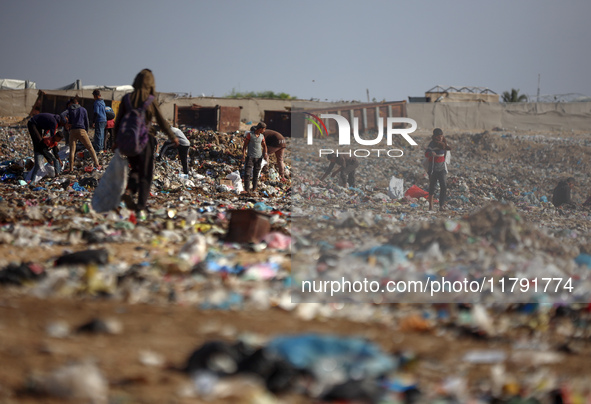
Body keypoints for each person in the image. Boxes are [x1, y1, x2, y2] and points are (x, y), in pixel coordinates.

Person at [113, 69, 178, 218]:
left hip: (128, 141)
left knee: (135, 169)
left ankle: (129, 191)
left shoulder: (127, 99)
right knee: (146, 174)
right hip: (145, 140)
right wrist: (172, 136)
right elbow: (161, 121)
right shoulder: (149, 100)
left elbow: (118, 122)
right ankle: (141, 206)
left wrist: (116, 141)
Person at [66, 96, 101, 172]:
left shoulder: (70, 109)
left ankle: (71, 168)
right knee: (90, 148)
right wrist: (86, 131)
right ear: (77, 103)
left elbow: (63, 116)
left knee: (72, 150)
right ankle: (97, 164)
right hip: (81, 130)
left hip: (72, 131)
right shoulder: (83, 109)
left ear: (72, 103)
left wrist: (68, 124)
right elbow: (86, 121)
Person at [425, 128, 451, 211]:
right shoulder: (432, 144)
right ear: (435, 137)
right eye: (438, 136)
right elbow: (426, 153)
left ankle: (441, 206)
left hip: (442, 168)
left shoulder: (444, 144)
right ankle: (431, 206)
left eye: (441, 136)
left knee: (443, 186)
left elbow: (446, 153)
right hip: (433, 169)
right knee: (432, 187)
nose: (440, 138)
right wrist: (430, 153)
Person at [242, 123, 268, 193]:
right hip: (250, 157)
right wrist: (243, 156)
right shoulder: (250, 135)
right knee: (247, 173)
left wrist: (265, 154)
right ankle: (247, 190)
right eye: (264, 129)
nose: (264, 130)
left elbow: (264, 146)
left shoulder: (262, 136)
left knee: (256, 174)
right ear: (260, 129)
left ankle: (254, 189)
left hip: (258, 158)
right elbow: (245, 146)